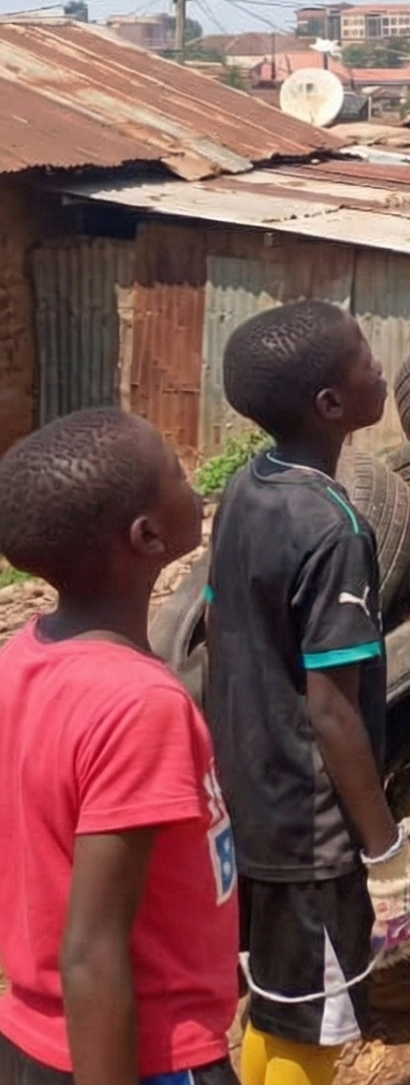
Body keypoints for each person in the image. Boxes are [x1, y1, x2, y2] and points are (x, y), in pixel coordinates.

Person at [206, 302, 410, 1085]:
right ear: (331, 405)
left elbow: (221, 629)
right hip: (310, 827)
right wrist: (383, 849)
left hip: (247, 797)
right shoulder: (333, 529)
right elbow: (332, 709)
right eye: (366, 358)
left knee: (279, 1000)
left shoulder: (245, 489)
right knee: (316, 1030)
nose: (380, 368)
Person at [0, 409, 238, 1085]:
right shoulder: (140, 706)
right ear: (147, 535)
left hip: (34, 1038)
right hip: (142, 1054)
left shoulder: (23, 656)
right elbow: (92, 952)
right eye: (175, 469)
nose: (193, 481)